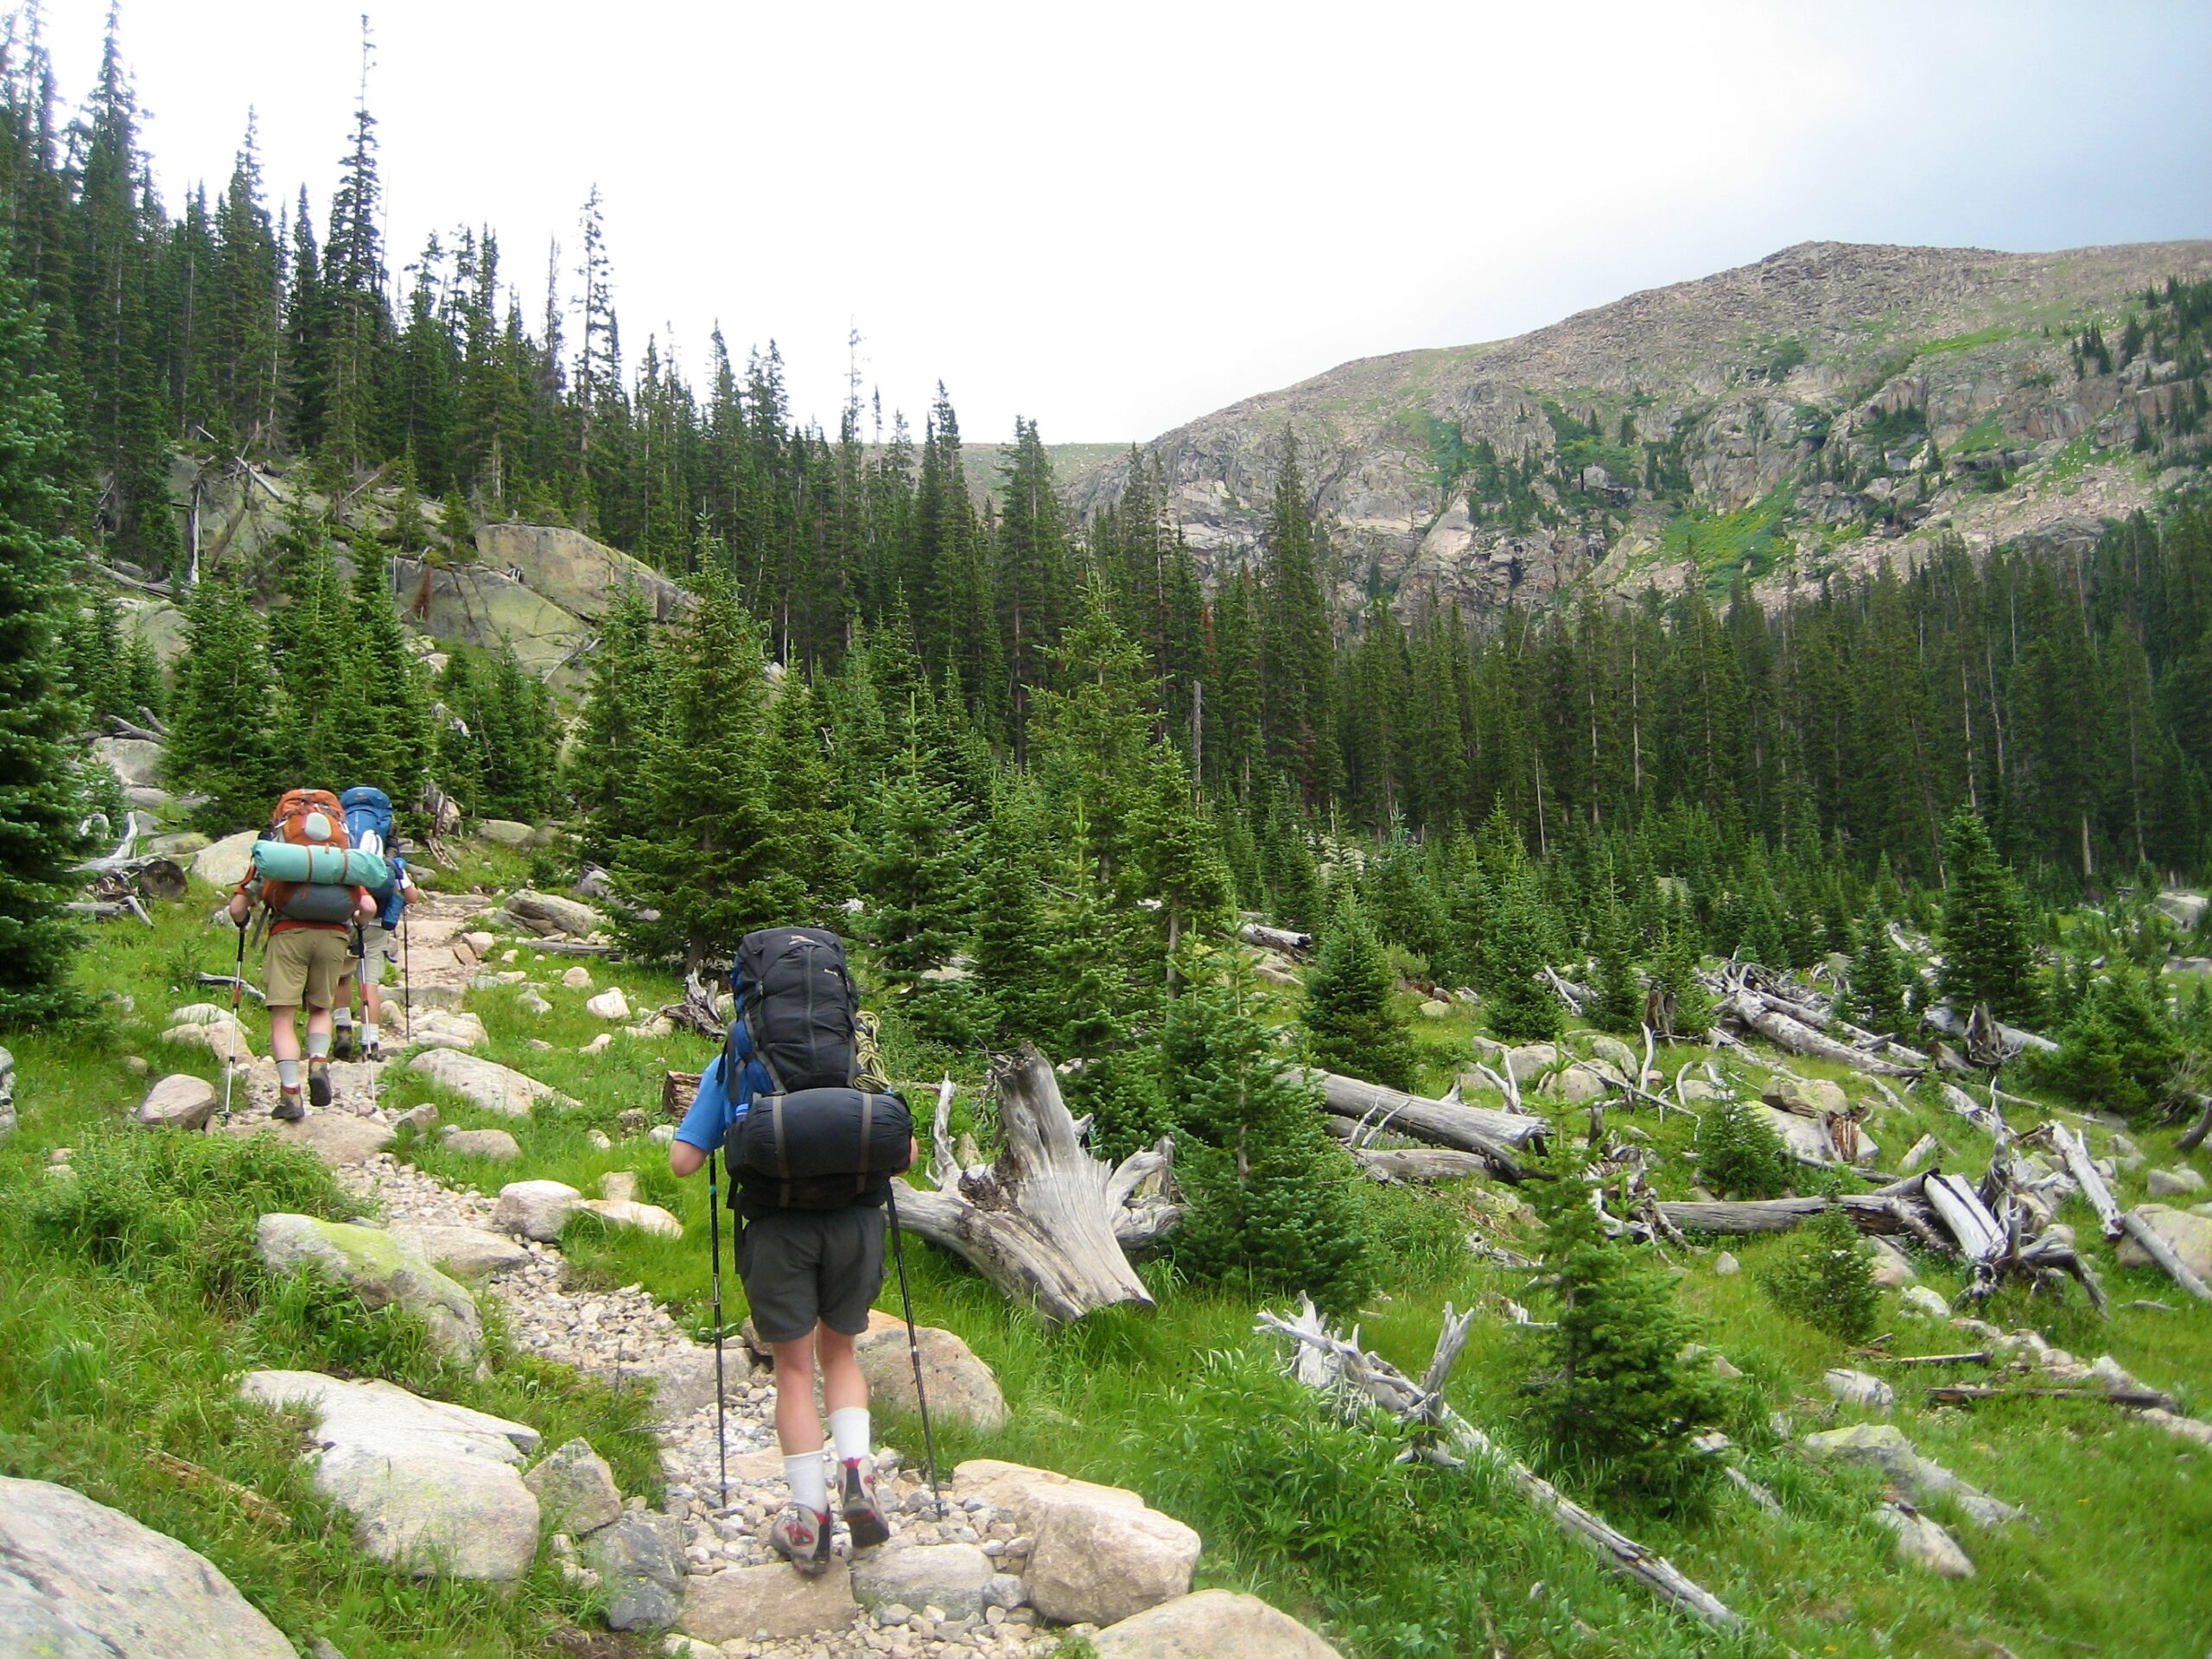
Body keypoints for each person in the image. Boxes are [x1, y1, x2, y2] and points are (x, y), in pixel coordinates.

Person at [670, 1036, 915, 1575]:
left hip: (778, 1232)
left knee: (795, 1371)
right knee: (842, 1355)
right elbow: (906, 1152)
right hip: (855, 1225)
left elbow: (683, 1162)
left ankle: (810, 1521)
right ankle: (857, 1473)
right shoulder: (850, 1050)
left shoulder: (735, 1060)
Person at [228, 804, 376, 1121]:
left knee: (283, 1016)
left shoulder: (277, 860)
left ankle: (291, 1095)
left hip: (288, 935)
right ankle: (320, 1061)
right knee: (321, 1008)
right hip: (334, 939)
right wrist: (358, 925)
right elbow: (367, 905)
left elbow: (237, 908)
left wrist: (244, 921)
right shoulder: (339, 862)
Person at [335, 853, 414, 1063]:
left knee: (342, 978)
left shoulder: (347, 855)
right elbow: (412, 896)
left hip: (349, 922)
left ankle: (342, 1031)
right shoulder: (388, 863)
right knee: (369, 985)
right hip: (378, 927)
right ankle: (370, 1044)